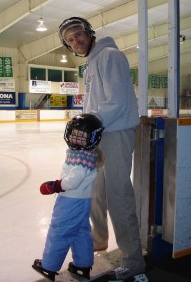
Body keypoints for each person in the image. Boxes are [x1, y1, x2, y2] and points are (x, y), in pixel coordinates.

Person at [58, 17, 148, 282]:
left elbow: (117, 101)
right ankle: (99, 242)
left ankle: (133, 261)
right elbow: (98, 103)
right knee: (95, 191)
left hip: (116, 135)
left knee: (118, 197)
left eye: (79, 34)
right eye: (71, 39)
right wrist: (87, 125)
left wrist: (89, 123)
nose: (77, 41)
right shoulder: (91, 62)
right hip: (99, 135)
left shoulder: (109, 56)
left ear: (89, 33)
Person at [32, 113, 104, 281]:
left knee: (60, 231)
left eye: (82, 136)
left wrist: (54, 186)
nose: (76, 138)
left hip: (70, 201)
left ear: (92, 138)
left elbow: (73, 181)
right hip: (82, 201)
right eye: (74, 134)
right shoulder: (87, 155)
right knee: (80, 232)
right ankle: (83, 264)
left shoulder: (81, 160)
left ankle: (49, 266)